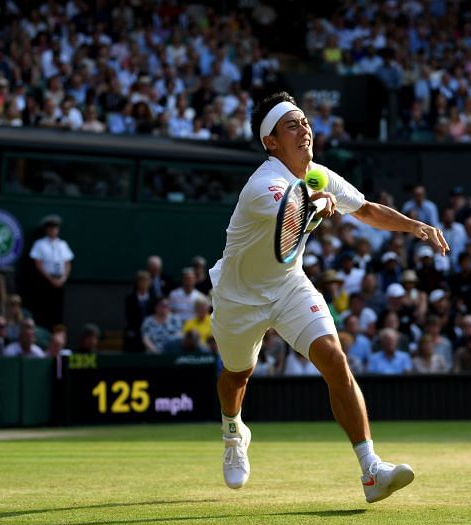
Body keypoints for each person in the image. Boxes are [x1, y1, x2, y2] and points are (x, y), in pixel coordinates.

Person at [209, 92, 448, 502]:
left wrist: (414, 226)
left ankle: (372, 470)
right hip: (238, 296)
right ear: (270, 142)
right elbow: (293, 214)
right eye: (291, 125)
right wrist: (317, 203)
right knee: (237, 376)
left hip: (287, 284)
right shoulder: (263, 185)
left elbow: (367, 210)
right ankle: (234, 433)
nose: (304, 129)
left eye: (304, 122)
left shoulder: (319, 173)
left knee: (336, 361)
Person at [29, 214, 74, 328]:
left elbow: (68, 263)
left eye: (55, 227)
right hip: (45, 282)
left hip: (60, 282)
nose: (53, 230)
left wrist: (63, 279)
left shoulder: (63, 244)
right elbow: (38, 264)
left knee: (58, 311)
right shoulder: (40, 244)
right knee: (44, 310)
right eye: (51, 227)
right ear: (46, 229)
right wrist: (50, 279)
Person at [123, 270, 154, 352]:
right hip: (135, 330)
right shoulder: (130, 299)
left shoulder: (154, 299)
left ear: (150, 283)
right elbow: (129, 317)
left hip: (151, 329)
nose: (144, 283)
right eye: (141, 281)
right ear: (137, 283)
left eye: (146, 281)